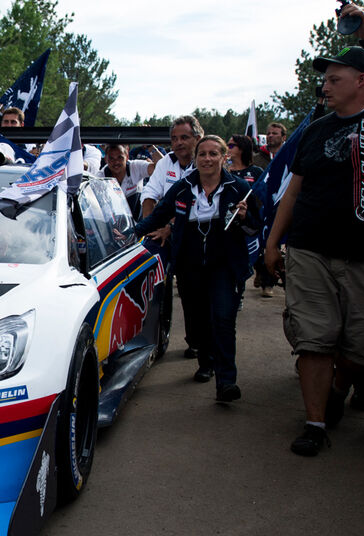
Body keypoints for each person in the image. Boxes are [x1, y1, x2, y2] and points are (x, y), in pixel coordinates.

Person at [264, 3, 364, 456]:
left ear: (362, 82)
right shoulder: (314, 130)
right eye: (324, 79)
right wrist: (273, 244)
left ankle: (337, 388)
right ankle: (315, 423)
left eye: (334, 78)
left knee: (361, 349)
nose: (324, 85)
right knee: (313, 340)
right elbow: (293, 192)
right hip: (311, 251)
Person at [133, 135, 260, 401]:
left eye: (214, 154)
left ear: (224, 157)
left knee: (223, 320)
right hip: (190, 265)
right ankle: (205, 362)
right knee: (198, 319)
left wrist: (246, 217)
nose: (207, 159)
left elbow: (255, 227)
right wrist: (130, 234)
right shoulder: (182, 188)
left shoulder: (238, 189)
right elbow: (157, 216)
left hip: (225, 265)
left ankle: (227, 381)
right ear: (197, 158)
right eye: (203, 154)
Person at [140, 115, 203, 360]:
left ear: (197, 138)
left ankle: (198, 342)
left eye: (184, 138)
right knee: (153, 275)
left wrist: (170, 228)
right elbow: (150, 193)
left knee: (192, 292)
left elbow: (196, 205)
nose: (178, 143)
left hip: (197, 236)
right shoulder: (167, 161)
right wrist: (149, 227)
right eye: (174, 138)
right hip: (166, 231)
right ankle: (151, 336)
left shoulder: (205, 162)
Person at [227, 134, 272, 298]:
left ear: (242, 149)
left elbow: (263, 200)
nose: (228, 148)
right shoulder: (223, 171)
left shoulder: (256, 172)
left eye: (232, 145)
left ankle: (242, 292)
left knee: (247, 261)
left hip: (248, 226)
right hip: (225, 226)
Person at [101, 143, 153, 219]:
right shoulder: (99, 177)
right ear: (106, 159)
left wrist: (150, 147)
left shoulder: (136, 166)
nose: (116, 162)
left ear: (127, 157)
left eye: (120, 158)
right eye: (111, 159)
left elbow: (162, 169)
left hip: (139, 223)